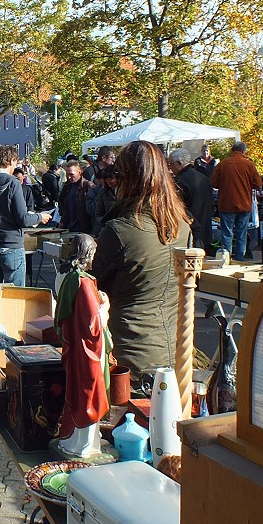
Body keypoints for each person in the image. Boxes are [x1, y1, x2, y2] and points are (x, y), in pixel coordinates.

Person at [92, 141, 190, 384]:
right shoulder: (182, 226)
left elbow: (92, 288)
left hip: (129, 355)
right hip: (173, 349)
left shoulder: (120, 231)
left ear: (126, 178)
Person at [54, 233, 111, 459]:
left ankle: (79, 440)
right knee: (89, 395)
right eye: (93, 253)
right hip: (89, 353)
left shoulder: (69, 278)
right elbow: (93, 325)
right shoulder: (84, 283)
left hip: (77, 348)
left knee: (78, 392)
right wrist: (105, 306)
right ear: (87, 254)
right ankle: (83, 445)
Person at [0, 145, 51, 286]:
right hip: (11, 245)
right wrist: (41, 217)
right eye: (15, 163)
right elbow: (22, 218)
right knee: (15, 297)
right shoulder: (13, 183)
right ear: (11, 161)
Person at [211, 141, 261, 262]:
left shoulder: (223, 164)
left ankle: (226, 261)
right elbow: (258, 184)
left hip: (226, 204)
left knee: (227, 234)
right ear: (243, 151)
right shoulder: (249, 164)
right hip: (244, 204)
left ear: (232, 150)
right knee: (241, 234)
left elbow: (213, 183)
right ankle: (240, 260)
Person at [169, 148, 214, 250]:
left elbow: (177, 208)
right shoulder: (203, 178)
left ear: (178, 163)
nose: (170, 169)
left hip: (189, 231)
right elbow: (212, 203)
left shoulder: (179, 182)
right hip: (205, 228)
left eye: (170, 164)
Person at [58, 160, 92, 234]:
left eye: (71, 174)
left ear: (79, 172)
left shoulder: (86, 186)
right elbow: (64, 206)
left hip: (83, 229)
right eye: (67, 174)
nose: (69, 177)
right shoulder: (67, 187)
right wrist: (63, 222)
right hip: (69, 228)